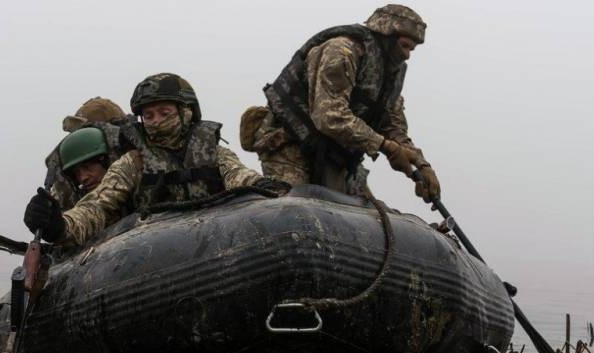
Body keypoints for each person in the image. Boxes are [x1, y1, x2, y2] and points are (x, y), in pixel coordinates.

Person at [24, 73, 288, 246]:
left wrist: (267, 189)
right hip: (154, 251)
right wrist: (60, 225)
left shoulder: (213, 153)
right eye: (148, 116)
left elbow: (240, 177)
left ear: (186, 112)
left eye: (164, 112)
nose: (156, 122)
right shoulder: (133, 162)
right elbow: (96, 208)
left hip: (216, 241)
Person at [240, 4, 440, 201]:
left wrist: (421, 165)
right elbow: (330, 116)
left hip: (337, 159)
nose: (407, 55)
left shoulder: (392, 74)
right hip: (291, 145)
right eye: (404, 46)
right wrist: (385, 146)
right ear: (386, 35)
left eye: (411, 50)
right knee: (296, 211)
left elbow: (393, 124)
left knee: (369, 221)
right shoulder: (342, 50)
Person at [46, 97, 129, 210]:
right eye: (76, 171)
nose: (83, 178)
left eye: (89, 165)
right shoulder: (68, 188)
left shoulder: (140, 168)